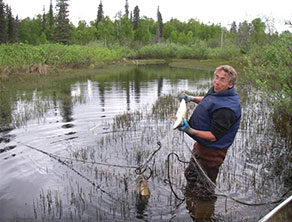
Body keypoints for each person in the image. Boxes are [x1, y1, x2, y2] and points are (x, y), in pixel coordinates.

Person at [179, 65, 241, 199]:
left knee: (204, 192)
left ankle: (204, 214)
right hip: (201, 147)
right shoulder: (217, 91)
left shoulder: (226, 109)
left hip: (213, 153)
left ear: (230, 85)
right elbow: (209, 99)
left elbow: (213, 137)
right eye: (216, 77)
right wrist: (191, 98)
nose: (217, 82)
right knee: (191, 176)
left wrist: (188, 129)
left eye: (222, 80)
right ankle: (190, 203)